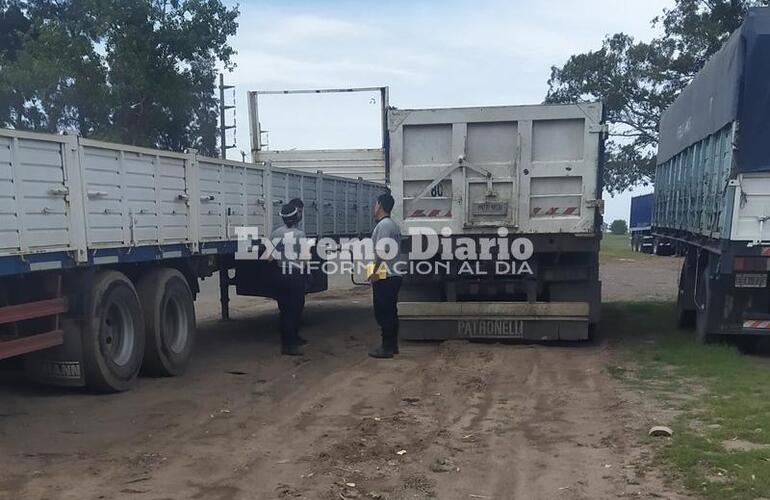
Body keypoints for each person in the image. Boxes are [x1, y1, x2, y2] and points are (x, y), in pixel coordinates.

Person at [367, 192, 403, 359]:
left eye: (375, 204)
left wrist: (374, 271)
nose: (374, 208)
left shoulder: (384, 226)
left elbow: (382, 251)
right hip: (392, 273)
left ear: (380, 205)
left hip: (385, 274)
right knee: (390, 311)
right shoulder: (393, 225)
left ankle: (386, 347)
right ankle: (392, 345)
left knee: (383, 312)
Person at [271, 203, 308, 356]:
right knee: (295, 309)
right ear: (296, 217)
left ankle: (292, 339)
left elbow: (270, 256)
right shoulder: (300, 235)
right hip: (295, 275)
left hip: (280, 275)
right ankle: (289, 345)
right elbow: (305, 258)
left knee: (285, 309)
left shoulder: (275, 233)